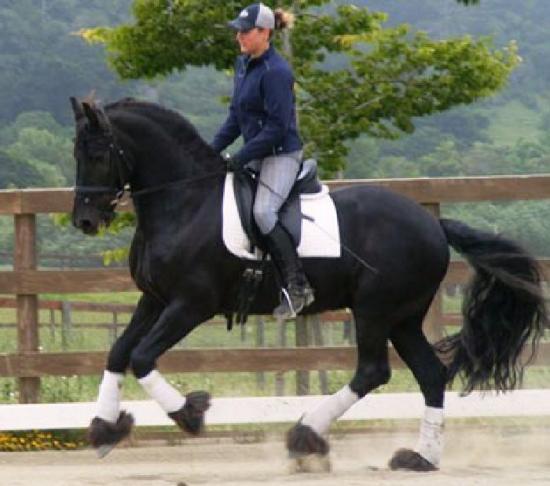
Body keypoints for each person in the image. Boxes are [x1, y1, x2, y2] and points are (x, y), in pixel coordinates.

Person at [211, 2, 314, 319]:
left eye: (245, 32)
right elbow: (235, 118)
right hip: (256, 152)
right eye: (238, 32)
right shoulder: (243, 66)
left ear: (265, 32)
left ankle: (298, 287)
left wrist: (242, 156)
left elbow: (277, 127)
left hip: (280, 154)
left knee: (264, 212)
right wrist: (208, 150)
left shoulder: (276, 72)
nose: (239, 37)